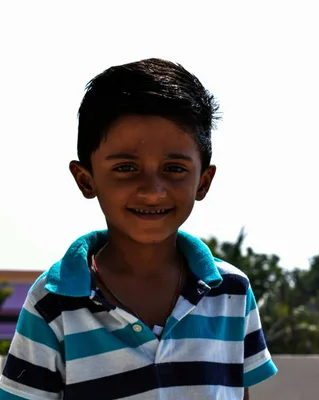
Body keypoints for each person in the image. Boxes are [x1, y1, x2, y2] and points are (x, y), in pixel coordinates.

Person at [0, 58, 277, 399]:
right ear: (86, 180)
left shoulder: (232, 293)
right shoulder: (52, 304)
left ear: (203, 182)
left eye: (174, 168)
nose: (152, 190)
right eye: (126, 167)